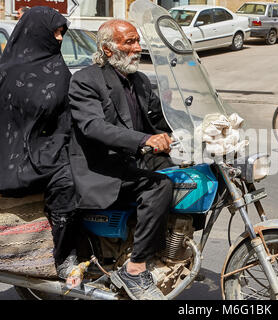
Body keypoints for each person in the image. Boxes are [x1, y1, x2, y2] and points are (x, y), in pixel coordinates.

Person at [68, 19, 174, 300]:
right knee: (159, 185)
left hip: (132, 161)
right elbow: (93, 126)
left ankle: (169, 250)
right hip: (102, 167)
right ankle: (136, 268)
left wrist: (197, 128)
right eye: (129, 42)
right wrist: (143, 140)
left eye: (137, 41)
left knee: (182, 175)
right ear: (107, 49)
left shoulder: (138, 80)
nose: (137, 48)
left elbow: (157, 118)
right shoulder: (85, 80)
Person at [0, 6, 80, 284]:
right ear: (36, 32)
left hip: (49, 145)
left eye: (62, 33)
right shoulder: (6, 71)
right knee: (67, 181)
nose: (59, 38)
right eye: (55, 32)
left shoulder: (58, 68)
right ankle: (63, 255)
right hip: (12, 154)